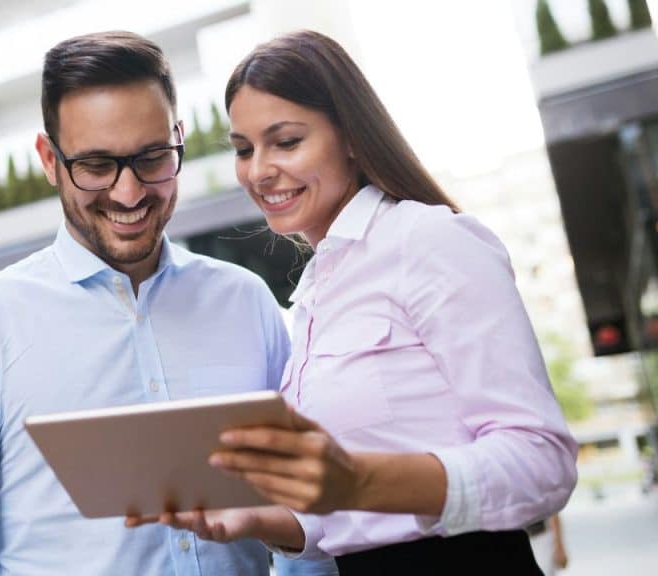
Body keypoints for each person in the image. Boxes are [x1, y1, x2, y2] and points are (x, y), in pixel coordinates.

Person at [128, 30, 579, 575]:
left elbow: (543, 462)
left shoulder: (429, 241)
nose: (258, 170)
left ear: (352, 138)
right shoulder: (319, 288)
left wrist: (360, 479)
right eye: (244, 149)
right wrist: (257, 519)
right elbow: (350, 518)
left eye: (285, 142)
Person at [0, 31, 299, 575]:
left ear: (177, 139)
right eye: (95, 165)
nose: (129, 193)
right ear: (49, 159)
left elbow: (301, 515)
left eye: (152, 157)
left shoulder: (244, 301)